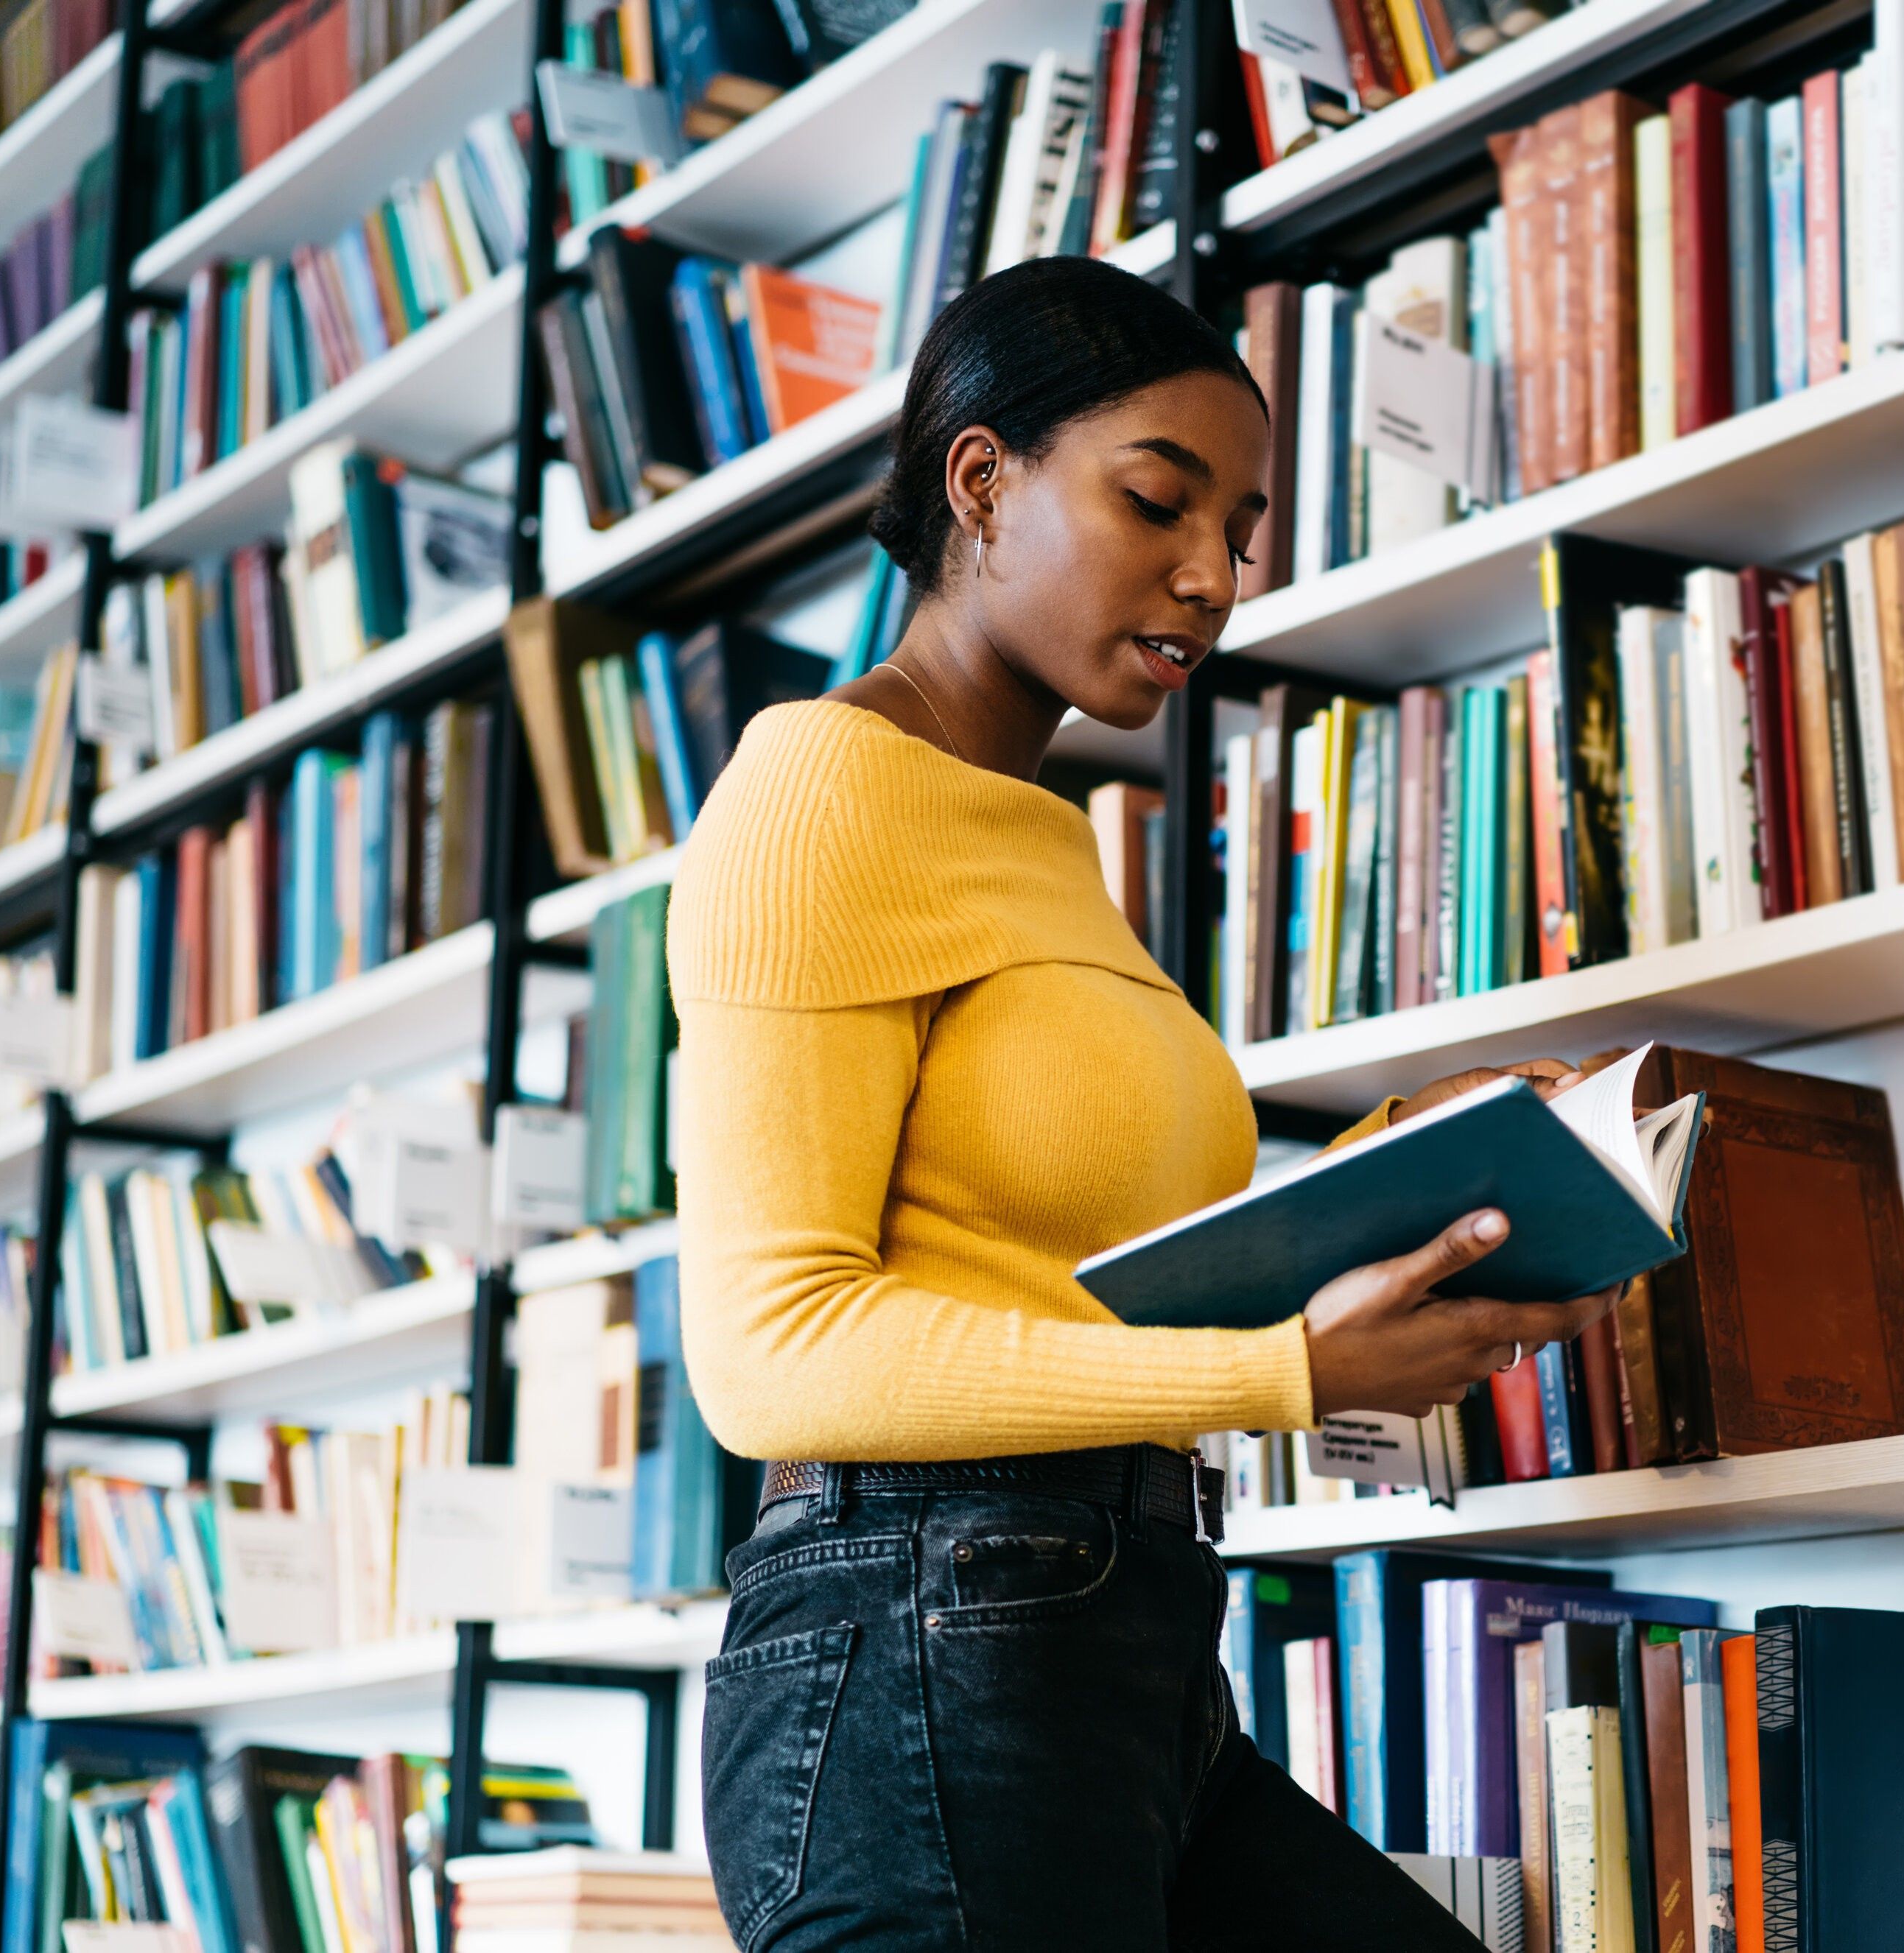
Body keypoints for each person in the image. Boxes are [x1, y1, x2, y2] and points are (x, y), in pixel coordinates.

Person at [669, 254, 1615, 1952]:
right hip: (919, 1637)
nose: (1207, 577)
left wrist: (1406, 1182)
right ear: (979, 480)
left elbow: (1065, 1279)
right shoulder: (819, 791)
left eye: (1239, 535)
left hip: (1128, 1644)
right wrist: (1285, 1372)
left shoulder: (1041, 840)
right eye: (1155, 503)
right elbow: (768, 1350)